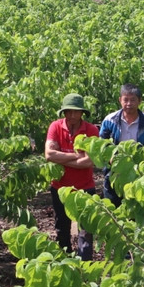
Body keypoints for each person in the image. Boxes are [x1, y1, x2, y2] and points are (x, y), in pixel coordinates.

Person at [44, 93, 99, 260]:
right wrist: (76, 156)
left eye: (76, 112)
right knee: (62, 227)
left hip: (85, 187)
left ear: (82, 113)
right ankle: (65, 261)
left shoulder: (91, 130)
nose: (73, 115)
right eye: (69, 111)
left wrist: (61, 158)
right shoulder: (55, 127)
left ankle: (85, 264)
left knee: (86, 228)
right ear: (64, 112)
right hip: (60, 187)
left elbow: (89, 162)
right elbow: (49, 154)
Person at [99, 83, 144, 208]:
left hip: (138, 176)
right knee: (113, 211)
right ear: (120, 100)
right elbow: (102, 145)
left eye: (133, 100)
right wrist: (109, 158)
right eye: (125, 100)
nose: (129, 103)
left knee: (136, 212)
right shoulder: (109, 121)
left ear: (139, 101)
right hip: (113, 174)